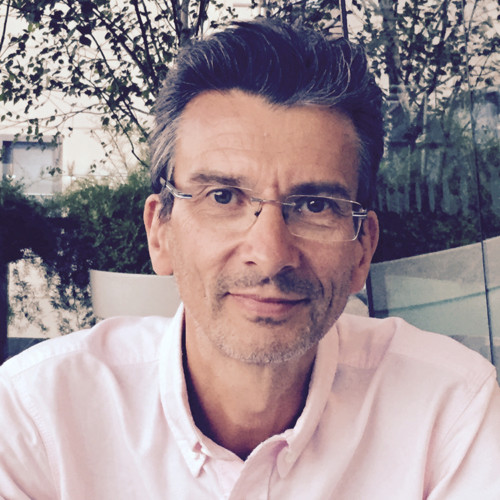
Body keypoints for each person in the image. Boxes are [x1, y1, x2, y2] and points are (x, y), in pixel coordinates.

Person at [1, 19, 499, 500]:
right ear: (160, 231)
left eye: (315, 205)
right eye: (223, 197)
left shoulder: (451, 411)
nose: (270, 255)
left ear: (362, 249)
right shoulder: (35, 419)